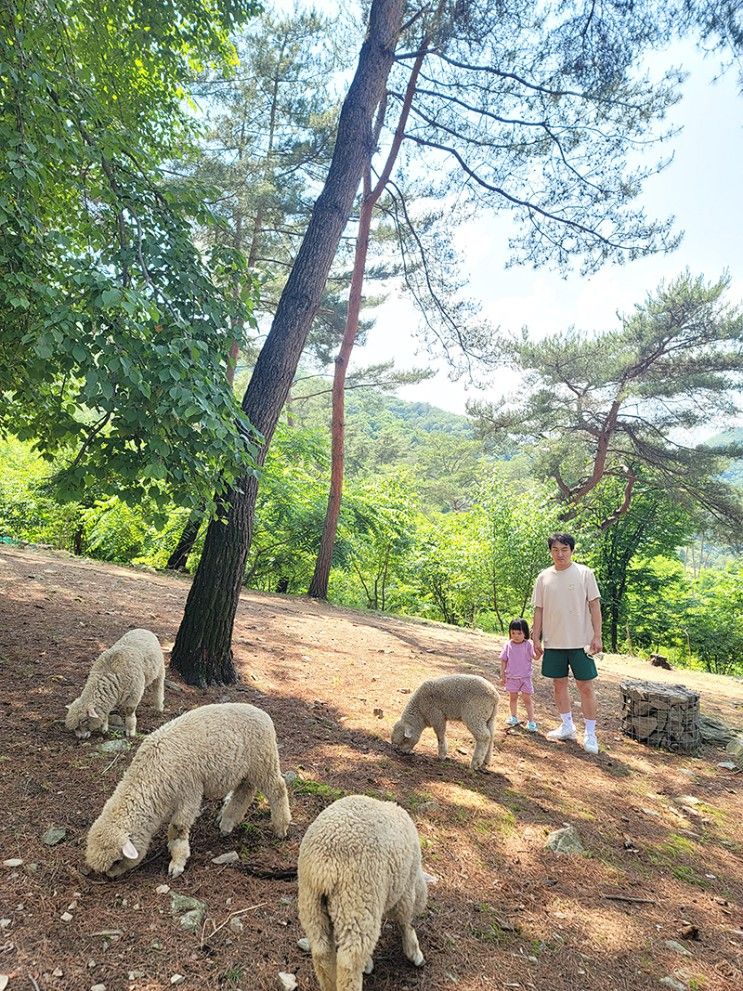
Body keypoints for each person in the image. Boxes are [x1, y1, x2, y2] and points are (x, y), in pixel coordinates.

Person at [531, 533, 603, 755]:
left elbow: (594, 606)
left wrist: (597, 635)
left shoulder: (584, 573)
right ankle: (567, 725)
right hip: (554, 641)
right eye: (555, 549)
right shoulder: (543, 577)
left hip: (581, 641)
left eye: (564, 549)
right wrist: (536, 637)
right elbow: (539, 609)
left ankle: (590, 733)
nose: (560, 553)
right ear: (550, 551)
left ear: (572, 550)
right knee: (558, 684)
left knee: (585, 686)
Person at [499, 618, 537, 731]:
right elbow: (503, 661)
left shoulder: (528, 645)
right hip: (511, 678)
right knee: (513, 698)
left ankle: (531, 722)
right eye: (513, 633)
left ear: (525, 633)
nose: (516, 636)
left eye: (519, 633)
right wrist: (502, 675)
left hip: (525, 678)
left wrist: (539, 652)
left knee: (527, 699)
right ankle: (513, 717)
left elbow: (535, 657)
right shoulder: (508, 645)